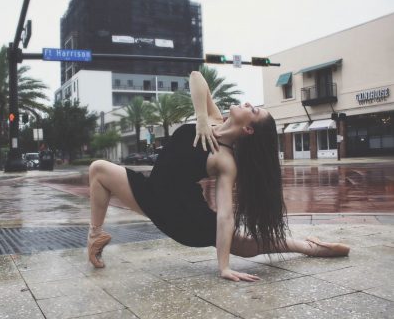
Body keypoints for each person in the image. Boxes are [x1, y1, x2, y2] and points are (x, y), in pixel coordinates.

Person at [87, 71, 350, 282]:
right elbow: (195, 76)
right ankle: (95, 236)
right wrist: (201, 118)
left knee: (250, 246)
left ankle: (311, 247)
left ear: (248, 129)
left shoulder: (225, 159)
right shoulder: (212, 118)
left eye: (255, 110)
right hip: (151, 194)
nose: (249, 104)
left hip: (185, 218)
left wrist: (223, 266)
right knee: (98, 170)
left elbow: (225, 214)